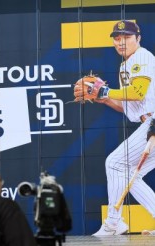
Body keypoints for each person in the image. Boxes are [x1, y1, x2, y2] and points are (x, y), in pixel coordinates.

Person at [75, 20, 155, 236]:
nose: (121, 42)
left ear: (138, 38)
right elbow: (129, 106)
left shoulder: (142, 56)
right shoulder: (124, 65)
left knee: (114, 163)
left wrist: (105, 91)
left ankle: (113, 223)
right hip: (148, 121)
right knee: (130, 175)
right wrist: (105, 99)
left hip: (154, 122)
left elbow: (137, 92)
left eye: (127, 37)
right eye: (117, 38)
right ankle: (114, 223)